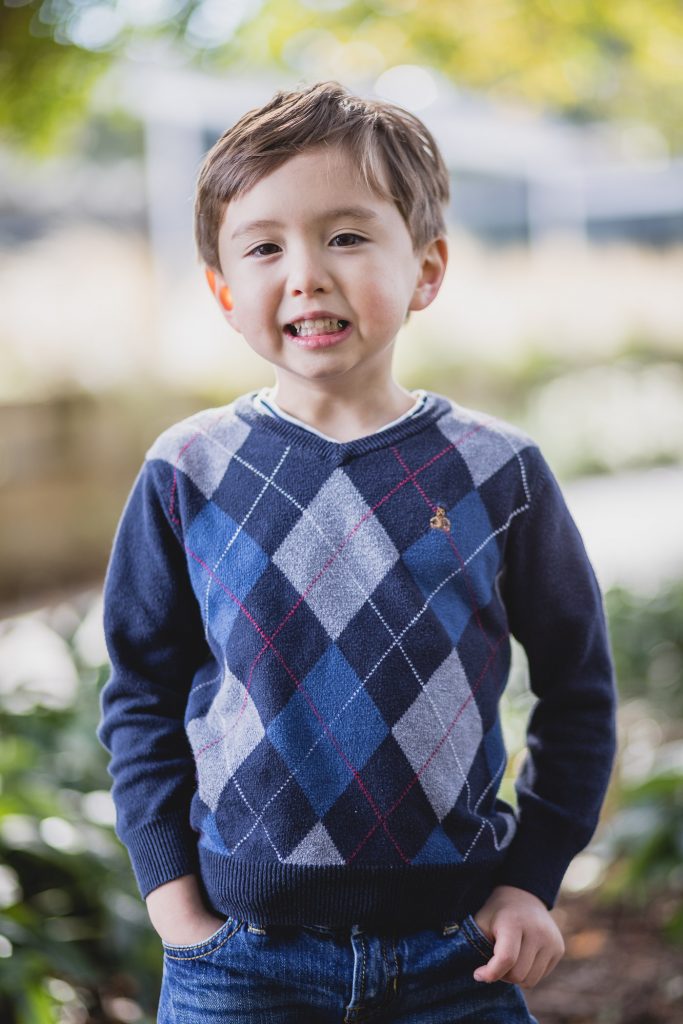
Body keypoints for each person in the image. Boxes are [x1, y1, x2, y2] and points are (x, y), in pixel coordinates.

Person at [98, 81, 617, 1023]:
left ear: (425, 269)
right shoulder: (186, 470)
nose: (305, 274)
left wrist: (531, 880)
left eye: (346, 236)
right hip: (239, 964)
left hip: (457, 960)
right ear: (222, 290)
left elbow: (579, 693)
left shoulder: (499, 473)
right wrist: (175, 906)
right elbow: (139, 692)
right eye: (263, 246)